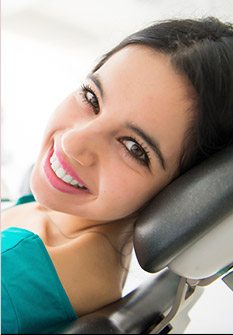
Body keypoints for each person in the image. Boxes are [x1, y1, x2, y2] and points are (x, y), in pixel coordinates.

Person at [2, 16, 233, 334]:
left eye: (134, 148)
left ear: (181, 192)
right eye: (92, 98)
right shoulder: (62, 229)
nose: (72, 143)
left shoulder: (14, 277)